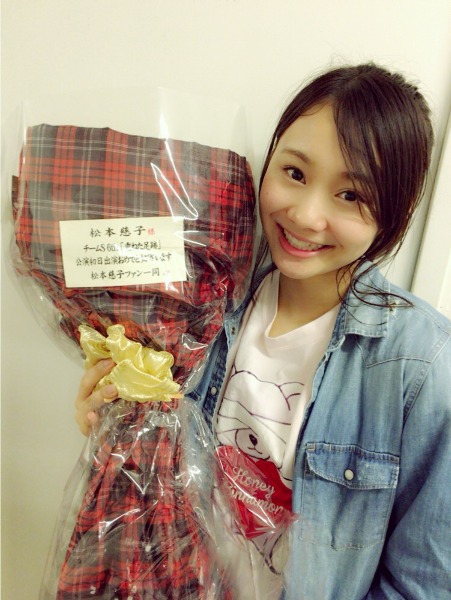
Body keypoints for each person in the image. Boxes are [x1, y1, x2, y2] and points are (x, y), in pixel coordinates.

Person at [75, 63, 451, 599]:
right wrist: (109, 416)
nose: (306, 215)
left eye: (350, 195)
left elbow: (423, 584)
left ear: (394, 213)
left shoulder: (424, 364)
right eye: (294, 173)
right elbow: (151, 478)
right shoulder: (197, 299)